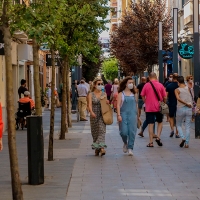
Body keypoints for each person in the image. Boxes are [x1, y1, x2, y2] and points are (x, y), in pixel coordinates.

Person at [141, 72, 167, 147]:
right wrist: (163, 103)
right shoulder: (160, 85)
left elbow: (142, 95)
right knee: (160, 122)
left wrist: (145, 102)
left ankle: (151, 142)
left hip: (149, 108)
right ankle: (158, 137)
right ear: (156, 77)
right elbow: (165, 97)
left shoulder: (146, 85)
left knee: (150, 124)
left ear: (149, 77)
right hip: (159, 107)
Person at [117, 76, 138, 156]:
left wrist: (138, 116)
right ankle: (125, 142)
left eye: (132, 83)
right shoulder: (120, 94)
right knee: (123, 132)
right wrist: (119, 115)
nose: (131, 84)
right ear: (126, 84)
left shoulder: (134, 94)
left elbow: (136, 105)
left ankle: (130, 148)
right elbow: (118, 105)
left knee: (132, 132)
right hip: (123, 114)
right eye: (129, 83)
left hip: (133, 114)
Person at [88, 78, 107, 156]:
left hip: (102, 115)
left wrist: (108, 102)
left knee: (102, 131)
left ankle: (102, 148)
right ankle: (97, 148)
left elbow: (106, 104)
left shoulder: (104, 94)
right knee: (95, 133)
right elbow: (89, 104)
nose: (100, 85)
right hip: (94, 115)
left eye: (101, 84)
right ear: (95, 85)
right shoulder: (91, 94)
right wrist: (91, 112)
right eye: (98, 84)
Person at [175, 76, 193, 148]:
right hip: (189, 108)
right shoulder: (188, 88)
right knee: (187, 126)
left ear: (178, 82)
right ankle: (187, 143)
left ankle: (183, 137)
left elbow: (178, 98)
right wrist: (188, 104)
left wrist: (185, 103)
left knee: (178, 124)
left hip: (180, 108)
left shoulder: (177, 90)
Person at [166, 73, 180, 138]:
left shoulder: (168, 86)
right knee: (178, 118)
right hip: (179, 104)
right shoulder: (180, 86)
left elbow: (166, 96)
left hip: (171, 103)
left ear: (173, 78)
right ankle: (177, 133)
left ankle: (172, 129)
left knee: (171, 117)